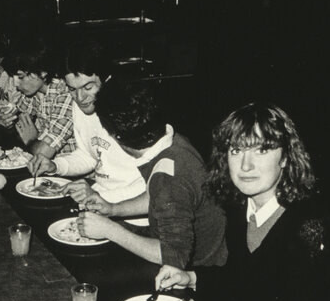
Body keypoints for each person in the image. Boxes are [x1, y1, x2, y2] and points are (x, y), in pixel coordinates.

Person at [154, 102, 329, 301]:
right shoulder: (240, 207)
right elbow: (246, 282)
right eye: (236, 150)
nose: (246, 165)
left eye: (262, 150)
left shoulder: (309, 226)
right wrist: (191, 277)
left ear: (284, 157)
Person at [75, 78, 226, 268]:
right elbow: (157, 195)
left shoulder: (169, 178)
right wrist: (113, 209)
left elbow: (175, 256)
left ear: (117, 137)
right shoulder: (173, 140)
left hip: (198, 272)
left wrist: (110, 230)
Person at [27, 36, 145, 205]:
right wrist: (55, 166)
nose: (80, 98)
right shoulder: (80, 105)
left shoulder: (129, 111)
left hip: (129, 209)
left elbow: (151, 183)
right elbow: (88, 156)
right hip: (100, 198)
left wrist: (103, 198)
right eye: (72, 89)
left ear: (107, 79)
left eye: (88, 87)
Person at [0, 34, 76, 158]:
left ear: (42, 72)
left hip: (68, 171)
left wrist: (31, 140)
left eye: (20, 77)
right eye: (13, 77)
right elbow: (14, 113)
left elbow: (44, 152)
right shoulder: (33, 92)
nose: (15, 84)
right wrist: (5, 117)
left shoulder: (65, 95)